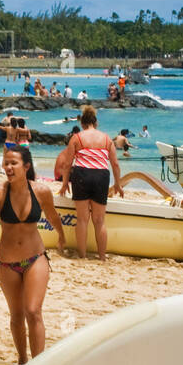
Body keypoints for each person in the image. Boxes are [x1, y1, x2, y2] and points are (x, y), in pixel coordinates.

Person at [0, 145, 67, 364]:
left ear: (26, 166)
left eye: (14, 163)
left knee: (33, 311)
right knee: (17, 315)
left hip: (35, 258)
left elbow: (52, 216)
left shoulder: (41, 191)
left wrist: (61, 235)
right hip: (7, 263)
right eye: (6, 163)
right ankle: (22, 361)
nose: (8, 167)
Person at [57, 105, 123, 260]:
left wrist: (65, 183)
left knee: (82, 219)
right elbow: (115, 164)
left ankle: (82, 255)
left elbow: (67, 164)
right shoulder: (107, 139)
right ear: (96, 122)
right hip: (101, 176)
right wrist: (118, 184)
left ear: (82, 123)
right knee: (99, 221)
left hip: (81, 174)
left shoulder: (77, 137)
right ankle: (101, 257)